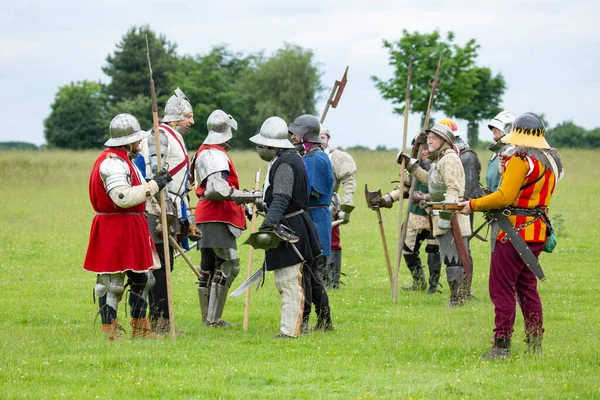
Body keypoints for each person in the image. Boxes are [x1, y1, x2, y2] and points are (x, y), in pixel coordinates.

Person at [458, 112, 563, 359]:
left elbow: (504, 197)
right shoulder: (551, 160)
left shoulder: (520, 159)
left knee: (500, 287)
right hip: (537, 232)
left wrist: (472, 204)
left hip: (514, 232)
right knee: (527, 287)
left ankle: (501, 345)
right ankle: (534, 343)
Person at [83, 113, 171, 341]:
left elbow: (140, 193)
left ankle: (141, 329)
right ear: (128, 141)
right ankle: (109, 331)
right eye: (137, 139)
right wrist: (154, 184)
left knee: (143, 278)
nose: (140, 143)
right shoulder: (112, 163)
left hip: (132, 225)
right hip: (115, 226)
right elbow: (122, 197)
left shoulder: (125, 160)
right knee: (112, 283)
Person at [250, 116, 322, 338]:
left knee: (290, 280)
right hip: (294, 221)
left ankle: (290, 330)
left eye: (264, 145)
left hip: (290, 225)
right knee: (293, 279)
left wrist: (269, 224)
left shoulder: (286, 163)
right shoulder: (291, 159)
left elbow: (281, 197)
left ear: (274, 145)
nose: (261, 148)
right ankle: (297, 326)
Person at [194, 109, 260, 327]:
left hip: (208, 214)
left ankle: (209, 319)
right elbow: (217, 190)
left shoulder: (203, 150)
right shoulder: (214, 154)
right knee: (227, 266)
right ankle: (212, 320)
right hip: (216, 214)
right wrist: (250, 196)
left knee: (209, 265)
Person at [139, 87, 196, 333]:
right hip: (157, 207)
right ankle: (160, 322)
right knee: (160, 268)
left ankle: (162, 320)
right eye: (188, 116)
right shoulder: (160, 135)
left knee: (166, 266)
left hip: (172, 206)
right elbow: (155, 172)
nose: (192, 121)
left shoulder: (174, 136)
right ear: (175, 116)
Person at [398, 124, 472, 306]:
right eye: (429, 137)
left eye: (434, 138)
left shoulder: (450, 159)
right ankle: (457, 298)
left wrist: (447, 216)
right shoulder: (440, 160)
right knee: (451, 258)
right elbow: (429, 182)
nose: (430, 141)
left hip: (451, 215)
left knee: (455, 258)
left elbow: (453, 188)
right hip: (445, 214)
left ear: (445, 141)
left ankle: (457, 299)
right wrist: (411, 166)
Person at [370, 137, 442, 295]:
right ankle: (419, 281)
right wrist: (385, 199)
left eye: (427, 147)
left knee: (433, 250)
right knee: (407, 250)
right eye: (421, 148)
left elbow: (443, 190)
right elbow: (403, 187)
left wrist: (425, 197)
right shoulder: (409, 167)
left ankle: (433, 286)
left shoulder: (440, 164)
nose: (424, 151)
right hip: (415, 215)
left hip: (434, 214)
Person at [289, 114, 335, 332]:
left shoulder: (314, 159)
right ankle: (323, 321)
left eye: (296, 134)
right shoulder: (314, 155)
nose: (292, 137)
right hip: (315, 217)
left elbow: (306, 193)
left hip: (314, 219)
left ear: (304, 135)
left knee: (307, 272)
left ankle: (306, 320)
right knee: (311, 272)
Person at [319, 124, 357, 288]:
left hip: (329, 204)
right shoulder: (304, 154)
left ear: (328, 139)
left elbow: (349, 181)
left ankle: (332, 281)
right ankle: (317, 276)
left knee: (332, 241)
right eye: (317, 137)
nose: (320, 141)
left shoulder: (336, 157)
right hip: (308, 205)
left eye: (323, 137)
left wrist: (346, 206)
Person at [486, 111, 516, 192]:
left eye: (496, 126)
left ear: (507, 129)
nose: (492, 130)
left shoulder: (511, 151)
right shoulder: (497, 152)